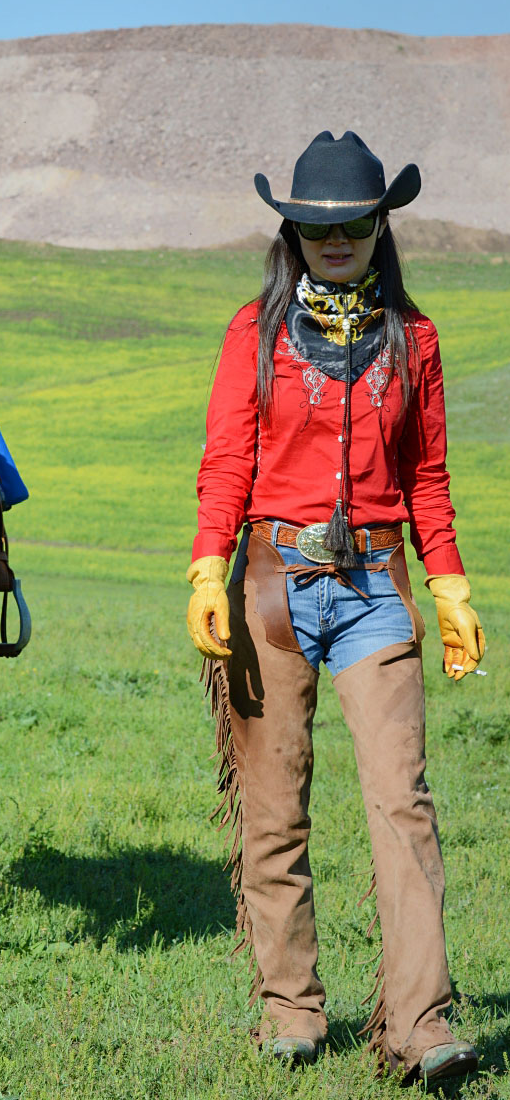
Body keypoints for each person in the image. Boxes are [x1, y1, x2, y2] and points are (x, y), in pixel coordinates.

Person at [185, 131, 485, 1085]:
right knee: (275, 808)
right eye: (318, 227)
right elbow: (229, 460)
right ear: (294, 234)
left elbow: (427, 476)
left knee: (403, 801)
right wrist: (206, 567)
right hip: (271, 586)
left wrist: (448, 585)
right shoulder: (254, 332)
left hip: (374, 592)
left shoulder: (416, 337)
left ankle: (421, 1025)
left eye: (355, 222)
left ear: (380, 225)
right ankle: (292, 1013)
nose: (338, 239)